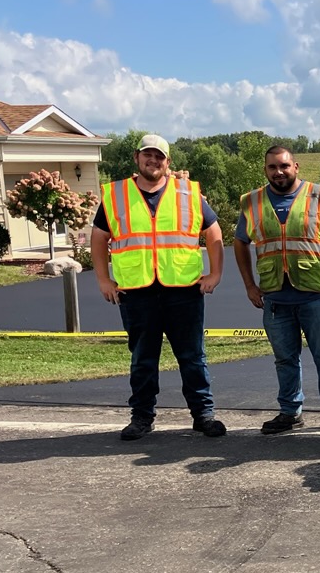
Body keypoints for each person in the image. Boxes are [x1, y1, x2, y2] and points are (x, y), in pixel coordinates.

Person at [91, 134, 227, 441]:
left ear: (168, 162)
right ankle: (141, 417)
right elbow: (99, 237)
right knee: (143, 359)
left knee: (192, 357)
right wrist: (103, 278)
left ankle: (203, 415)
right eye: (147, 155)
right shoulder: (117, 195)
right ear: (137, 158)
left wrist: (215, 274)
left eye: (159, 156)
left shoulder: (188, 193)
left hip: (183, 290)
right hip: (137, 292)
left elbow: (214, 232)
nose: (153, 161)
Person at [232, 145, 320, 436]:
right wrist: (250, 285)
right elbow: (240, 242)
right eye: (273, 167)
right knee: (285, 359)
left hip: (316, 295)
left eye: (284, 166)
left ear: (296, 167)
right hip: (275, 297)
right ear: (265, 170)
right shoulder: (252, 202)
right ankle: (290, 412)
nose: (279, 172)